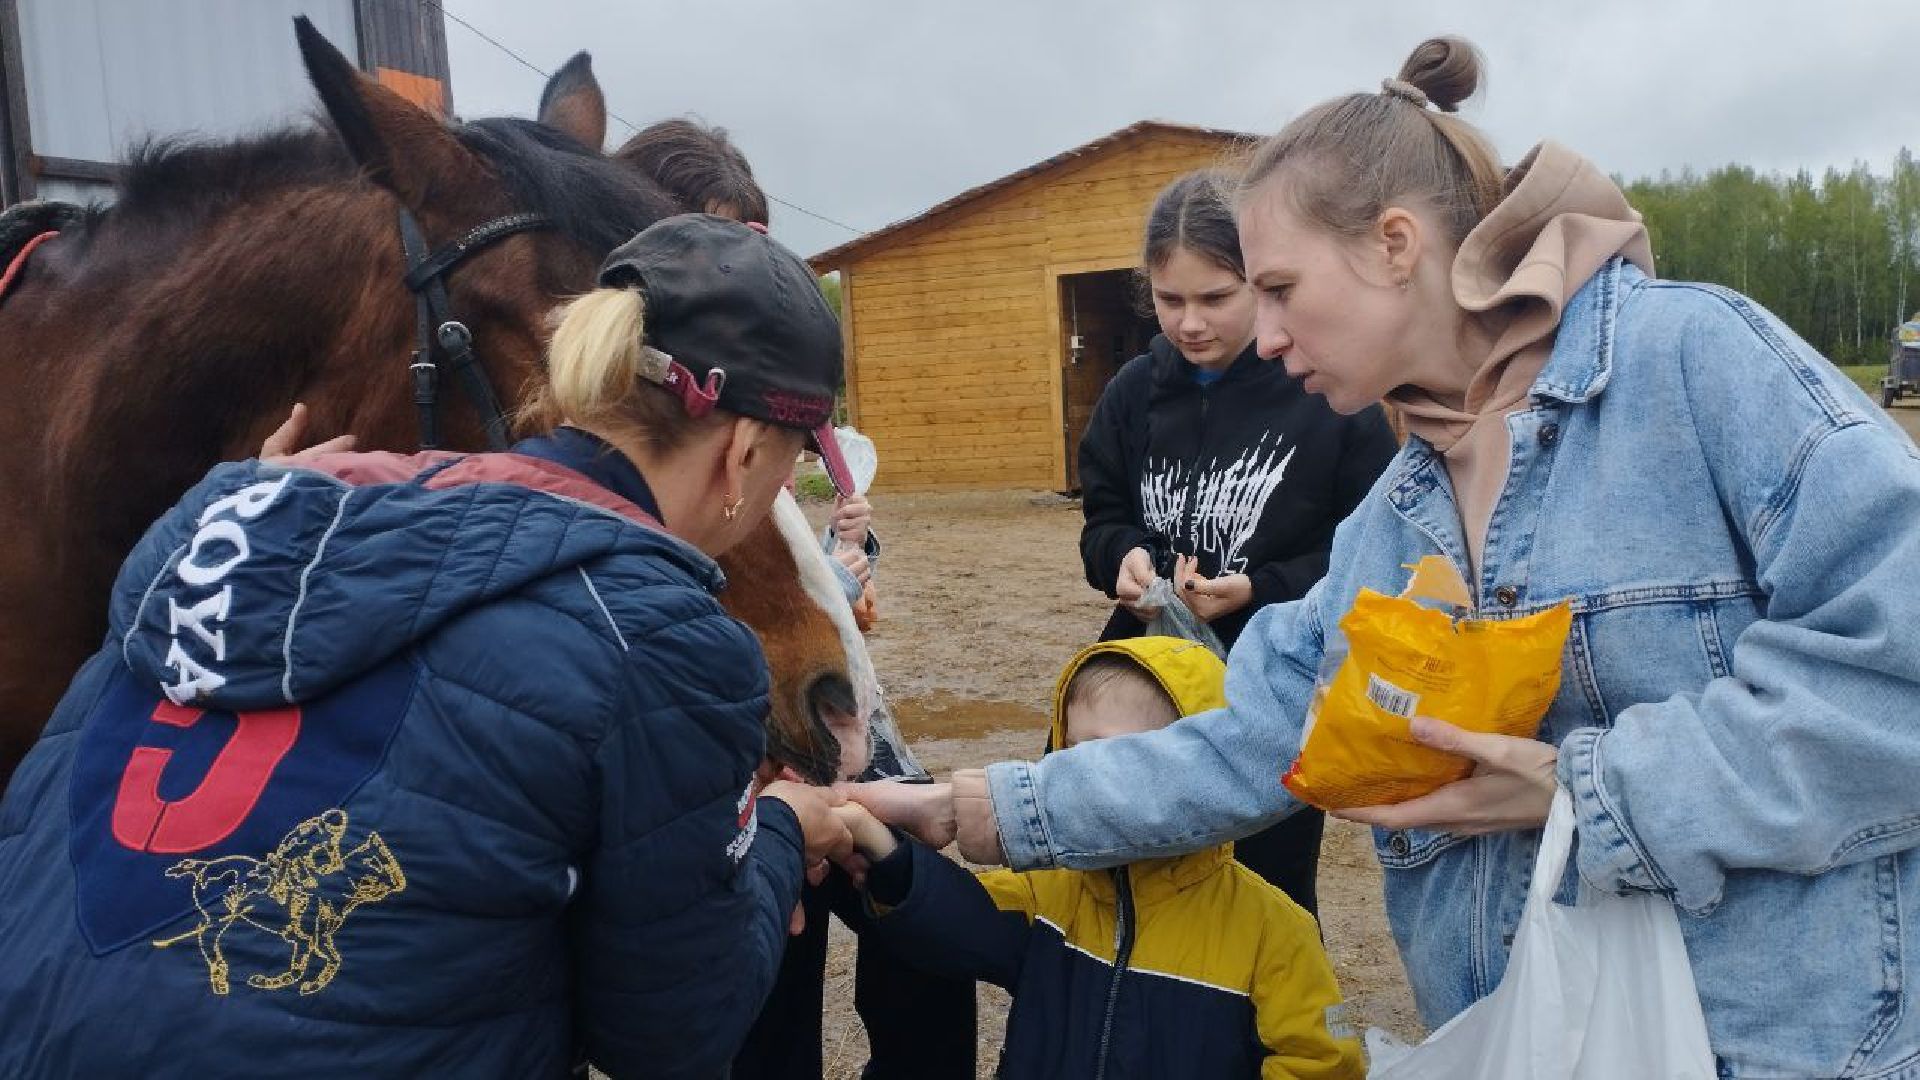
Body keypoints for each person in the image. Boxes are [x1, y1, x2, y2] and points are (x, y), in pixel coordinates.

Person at [854, 37, 1920, 1077]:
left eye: (1277, 287)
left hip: (1791, 1042)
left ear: (1394, 244)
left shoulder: (1696, 367)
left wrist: (1588, 789)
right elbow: (1245, 739)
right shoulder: (1396, 516)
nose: (1261, 335)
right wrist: (974, 810)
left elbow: (1897, 682)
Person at [0, 215, 855, 1077]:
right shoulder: (667, 638)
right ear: (744, 454)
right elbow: (672, 1036)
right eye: (786, 466)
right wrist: (780, 834)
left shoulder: (239, 526)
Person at [1079, 169, 1397, 914]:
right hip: (1146, 675)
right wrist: (1119, 558)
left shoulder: (1326, 390)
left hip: (1275, 681)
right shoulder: (1132, 392)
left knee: (1265, 890)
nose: (1190, 323)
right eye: (1170, 300)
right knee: (1132, 871)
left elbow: (1373, 551)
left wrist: (1264, 587)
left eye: (1216, 298)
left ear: (1261, 283)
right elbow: (1102, 515)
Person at [841, 637, 1363, 1079]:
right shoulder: (1052, 891)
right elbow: (959, 924)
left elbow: (1321, 1060)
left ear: (1197, 773)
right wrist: (888, 855)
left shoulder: (1275, 931)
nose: (1076, 780)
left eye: (1107, 759)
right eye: (1067, 756)